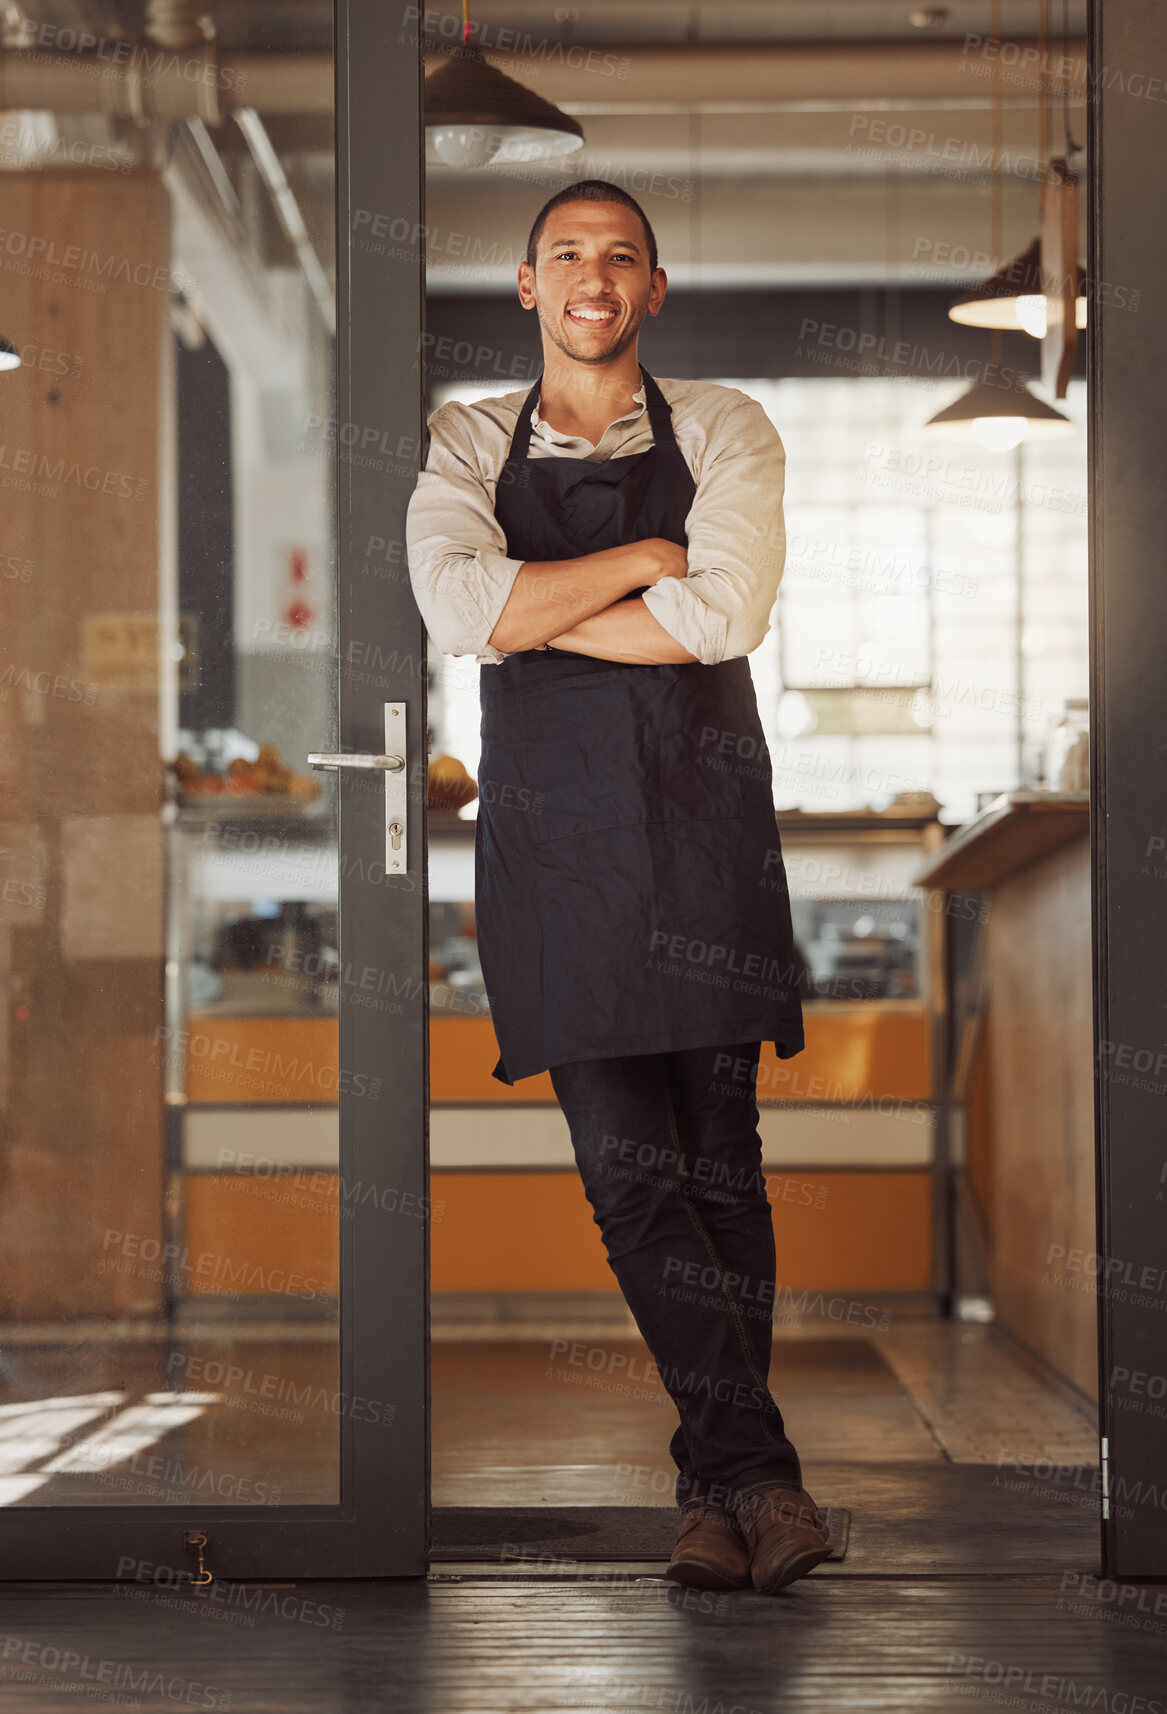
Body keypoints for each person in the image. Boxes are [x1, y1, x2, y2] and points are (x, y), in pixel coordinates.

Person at [406, 180, 830, 1595]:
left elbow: (727, 614)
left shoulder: (725, 427)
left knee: (720, 1167)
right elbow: (467, 613)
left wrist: (552, 599)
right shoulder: (467, 437)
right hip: (558, 855)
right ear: (526, 285)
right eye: (567, 254)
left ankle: (716, 1495)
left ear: (655, 288)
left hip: (703, 836)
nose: (595, 276)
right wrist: (647, 556)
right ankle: (755, 1471)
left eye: (622, 256)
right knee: (631, 1179)